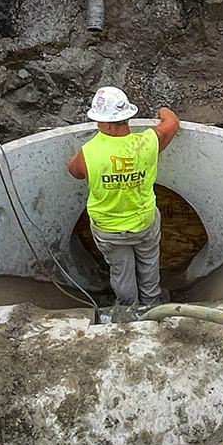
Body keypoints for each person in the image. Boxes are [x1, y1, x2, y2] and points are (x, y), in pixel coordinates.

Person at [67, 87, 180, 309]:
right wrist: (162, 110)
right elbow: (172, 123)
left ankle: (129, 308)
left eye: (99, 120)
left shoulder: (90, 152)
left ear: (107, 124)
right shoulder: (147, 142)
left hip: (109, 228)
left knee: (121, 271)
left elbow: (75, 171)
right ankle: (151, 304)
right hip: (143, 222)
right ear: (126, 116)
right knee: (148, 263)